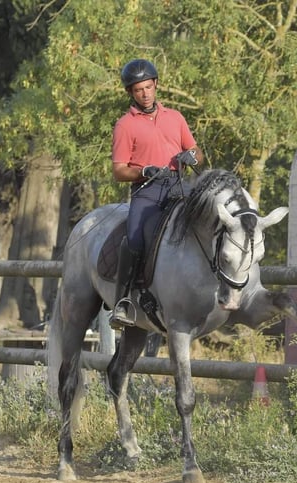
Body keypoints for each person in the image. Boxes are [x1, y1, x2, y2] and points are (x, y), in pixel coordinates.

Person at [109, 58, 203, 328]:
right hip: (148, 192)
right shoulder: (125, 125)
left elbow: (198, 152)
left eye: (148, 87)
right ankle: (122, 302)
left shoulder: (175, 117)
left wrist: (192, 156)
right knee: (135, 239)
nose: (145, 94)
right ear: (131, 93)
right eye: (139, 90)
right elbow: (118, 170)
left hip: (179, 186)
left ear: (156, 85)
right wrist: (143, 171)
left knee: (207, 225)